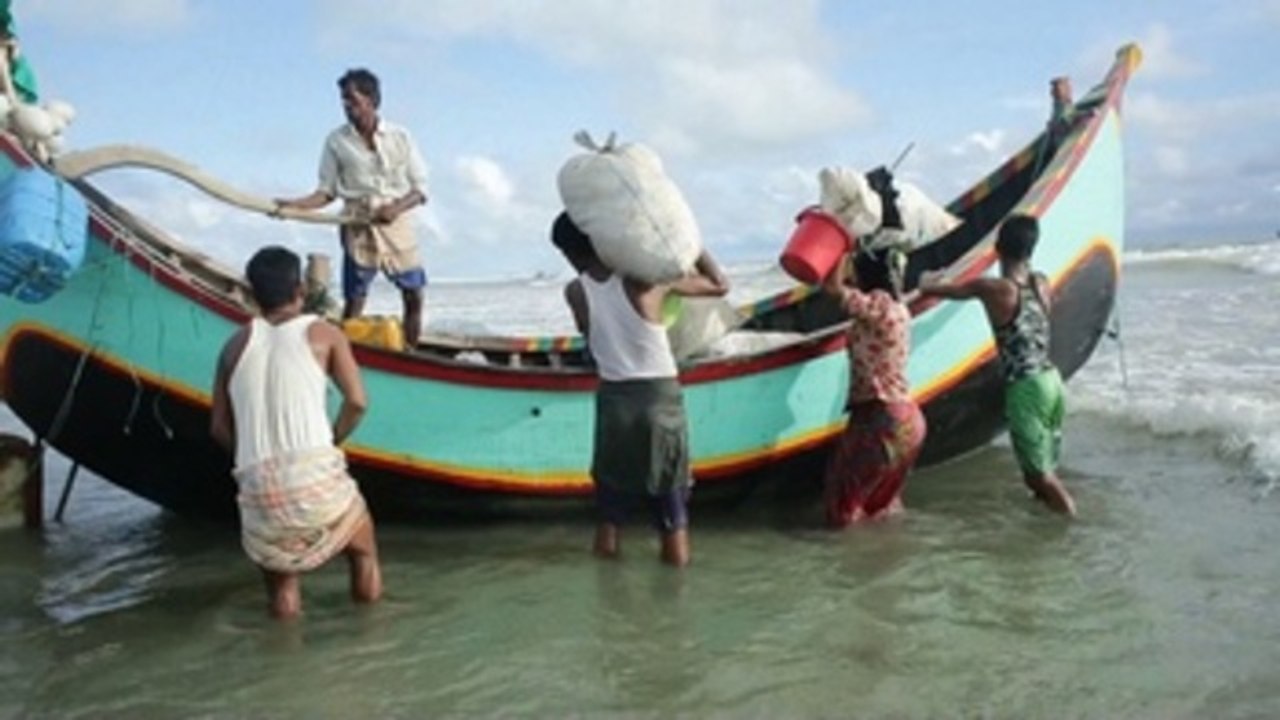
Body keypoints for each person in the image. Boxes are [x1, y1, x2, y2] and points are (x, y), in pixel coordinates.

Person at [210, 246, 383, 619]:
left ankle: (285, 649)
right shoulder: (324, 334)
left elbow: (219, 428)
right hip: (315, 476)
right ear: (300, 289)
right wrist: (332, 441)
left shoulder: (232, 347)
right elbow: (357, 403)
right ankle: (370, 637)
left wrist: (252, 461)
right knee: (364, 552)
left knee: (283, 584)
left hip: (258, 488)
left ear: (252, 294)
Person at [550, 212, 729, 567]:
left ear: (568, 254)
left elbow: (591, 337)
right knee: (671, 513)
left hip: (614, 403)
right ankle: (673, 603)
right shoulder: (645, 281)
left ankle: (608, 592)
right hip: (658, 401)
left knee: (609, 515)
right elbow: (719, 284)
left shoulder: (574, 291)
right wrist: (689, 242)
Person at [918, 214, 1076, 515]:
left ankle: (1070, 528)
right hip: (1051, 381)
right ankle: (1047, 524)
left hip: (1027, 388)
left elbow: (937, 290)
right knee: (1042, 469)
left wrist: (925, 280)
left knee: (1039, 476)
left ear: (997, 248)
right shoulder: (1040, 282)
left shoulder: (995, 289)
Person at [275, 68, 430, 348]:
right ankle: (346, 355)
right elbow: (326, 193)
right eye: (344, 101)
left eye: (353, 101)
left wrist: (395, 208)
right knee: (355, 297)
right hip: (357, 222)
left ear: (371, 101)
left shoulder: (400, 136)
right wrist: (293, 205)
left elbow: (420, 188)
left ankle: (411, 353)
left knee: (414, 293)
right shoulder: (336, 142)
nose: (347, 107)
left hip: (396, 223)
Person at [820, 247, 926, 527]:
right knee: (882, 507)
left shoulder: (877, 305)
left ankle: (853, 566)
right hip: (908, 420)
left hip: (880, 420)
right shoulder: (900, 308)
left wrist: (840, 245)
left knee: (843, 511)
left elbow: (832, 287)